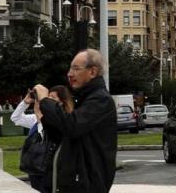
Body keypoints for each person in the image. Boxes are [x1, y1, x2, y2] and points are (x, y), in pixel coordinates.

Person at [35, 49, 117, 193]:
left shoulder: (101, 100)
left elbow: (73, 126)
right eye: (70, 68)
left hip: (87, 185)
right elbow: (61, 134)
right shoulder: (84, 98)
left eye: (76, 68)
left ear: (92, 72)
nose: (69, 74)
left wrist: (46, 101)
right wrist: (43, 111)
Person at [20, 86, 73, 193]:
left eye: (53, 98)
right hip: (36, 166)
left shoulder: (65, 119)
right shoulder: (39, 117)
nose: (48, 100)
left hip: (50, 169)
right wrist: (25, 103)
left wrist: (41, 119)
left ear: (62, 102)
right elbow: (15, 118)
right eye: (48, 97)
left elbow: (51, 137)